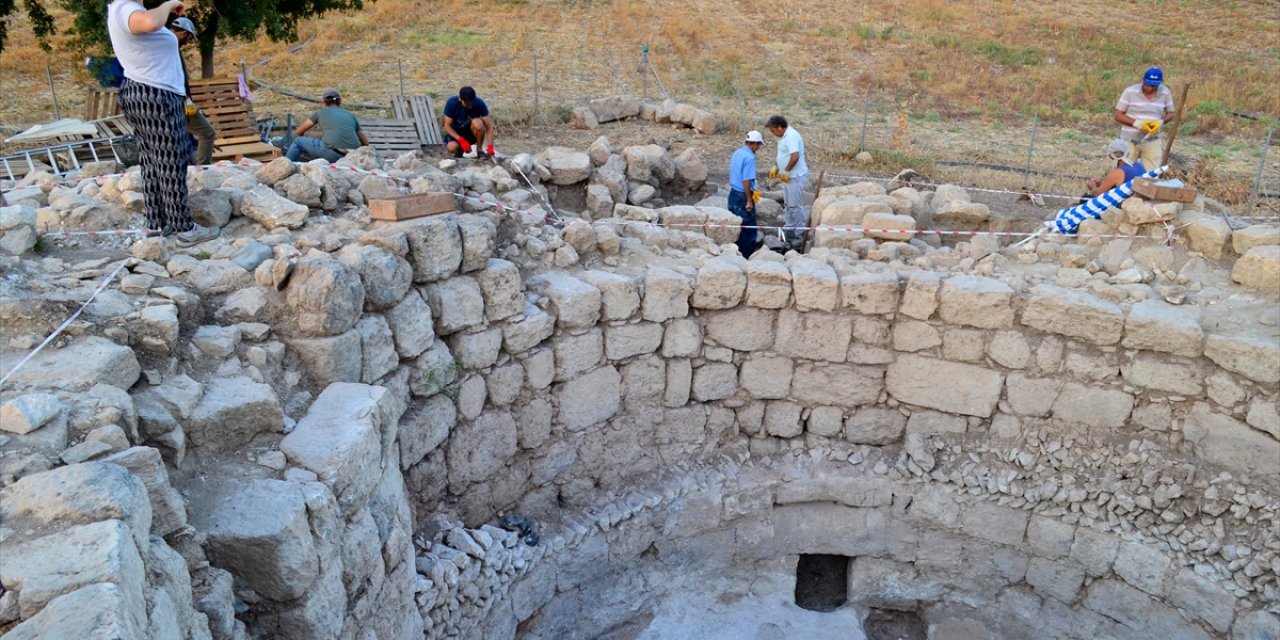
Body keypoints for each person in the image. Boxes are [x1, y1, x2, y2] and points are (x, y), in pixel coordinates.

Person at [107, 0, 219, 245]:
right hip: (156, 95)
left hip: (144, 92)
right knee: (171, 162)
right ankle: (185, 230)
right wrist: (168, 5)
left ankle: (156, 224)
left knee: (152, 162)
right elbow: (150, 22)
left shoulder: (121, 10)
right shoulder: (126, 8)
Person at [168, 17, 217, 166]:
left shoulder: (165, 46)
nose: (188, 42)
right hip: (178, 100)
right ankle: (202, 170)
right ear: (184, 33)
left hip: (174, 100)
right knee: (208, 132)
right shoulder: (170, 47)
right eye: (189, 38)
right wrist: (186, 100)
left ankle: (194, 164)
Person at [1114, 66, 1175, 168]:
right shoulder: (1130, 92)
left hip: (1152, 139)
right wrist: (1137, 124)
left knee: (1151, 174)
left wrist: (1160, 122)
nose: (1150, 88)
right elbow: (1118, 115)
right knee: (1124, 171)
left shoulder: (1165, 92)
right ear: (1143, 80)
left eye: (1154, 86)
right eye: (1148, 85)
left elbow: (1171, 113)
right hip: (1129, 139)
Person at [285, 88, 369, 162]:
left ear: (324, 103)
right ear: (340, 102)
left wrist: (306, 147)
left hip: (334, 153)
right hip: (353, 155)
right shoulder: (350, 115)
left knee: (298, 142)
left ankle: (286, 166)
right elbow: (365, 143)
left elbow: (298, 132)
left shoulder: (320, 113)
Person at [765, 115, 808, 246]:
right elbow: (782, 155)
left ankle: (800, 230)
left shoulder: (791, 136)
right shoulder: (782, 137)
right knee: (788, 203)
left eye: (773, 130)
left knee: (794, 204)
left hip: (794, 176)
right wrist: (776, 167)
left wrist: (787, 171)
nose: (772, 133)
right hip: (788, 176)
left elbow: (795, 156)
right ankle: (789, 226)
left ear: (779, 127)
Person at [728, 131, 765, 257]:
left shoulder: (737, 152)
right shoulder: (749, 158)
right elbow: (746, 180)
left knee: (735, 225)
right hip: (742, 195)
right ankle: (746, 256)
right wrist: (749, 200)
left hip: (733, 193)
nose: (758, 148)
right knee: (748, 228)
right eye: (758, 145)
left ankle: (734, 252)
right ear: (754, 144)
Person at [1081, 139, 1148, 202]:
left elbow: (1097, 194)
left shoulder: (1117, 172)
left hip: (1124, 203)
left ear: (1111, 155)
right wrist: (1104, 184)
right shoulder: (1139, 165)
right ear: (1127, 152)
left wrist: (1093, 186)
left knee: (1084, 198)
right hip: (1139, 201)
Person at [443, 86, 495, 159]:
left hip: (471, 133)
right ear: (460, 99)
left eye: (472, 103)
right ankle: (462, 150)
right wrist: (461, 140)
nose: (470, 106)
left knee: (478, 123)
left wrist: (490, 146)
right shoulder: (452, 103)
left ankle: (479, 150)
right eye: (467, 104)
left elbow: (489, 127)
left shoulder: (479, 103)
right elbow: (447, 126)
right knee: (451, 148)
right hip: (457, 134)